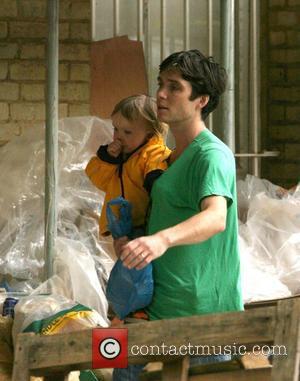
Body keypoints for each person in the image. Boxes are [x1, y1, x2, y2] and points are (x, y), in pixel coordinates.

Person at [113, 50, 243, 380]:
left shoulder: (212, 155)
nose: (160, 94)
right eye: (160, 84)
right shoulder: (169, 158)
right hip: (154, 310)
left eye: (174, 87)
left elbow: (216, 218)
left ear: (202, 99)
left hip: (200, 322)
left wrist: (161, 240)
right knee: (112, 361)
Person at [85, 94, 171, 238]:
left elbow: (157, 172)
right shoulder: (120, 155)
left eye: (127, 132)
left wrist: (154, 180)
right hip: (121, 224)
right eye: (116, 129)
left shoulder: (153, 153)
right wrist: (108, 160)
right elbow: (99, 181)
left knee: (133, 259)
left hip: (143, 225)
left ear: (149, 135)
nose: (118, 136)